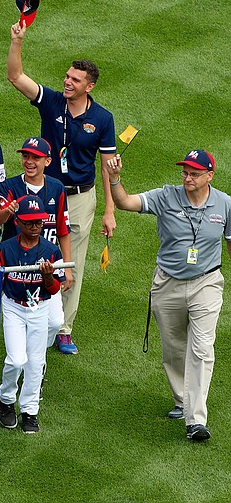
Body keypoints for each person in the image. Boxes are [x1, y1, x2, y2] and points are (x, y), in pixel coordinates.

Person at [7, 21, 117, 355]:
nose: (67, 82)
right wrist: (17, 41)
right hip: (44, 194)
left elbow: (106, 165)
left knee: (73, 262)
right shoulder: (51, 102)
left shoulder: (102, 118)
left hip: (81, 198)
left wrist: (110, 210)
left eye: (75, 80)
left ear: (90, 85)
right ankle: (21, 307)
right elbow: (16, 77)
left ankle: (64, 326)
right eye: (67, 77)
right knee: (29, 248)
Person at [107, 150, 231, 442]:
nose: (187, 178)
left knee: (201, 348)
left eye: (194, 173)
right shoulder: (166, 196)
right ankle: (181, 399)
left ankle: (195, 420)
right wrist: (115, 179)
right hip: (168, 283)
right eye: (185, 172)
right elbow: (125, 202)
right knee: (174, 349)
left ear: (209, 176)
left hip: (207, 283)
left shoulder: (225, 204)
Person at [0, 137, 72, 348]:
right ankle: (29, 356)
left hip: (48, 263)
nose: (29, 161)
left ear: (47, 161)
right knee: (15, 311)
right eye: (26, 156)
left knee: (55, 321)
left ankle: (38, 353)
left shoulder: (56, 188)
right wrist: (6, 212)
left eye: (35, 157)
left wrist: (67, 267)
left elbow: (63, 230)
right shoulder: (9, 186)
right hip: (16, 263)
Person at [0, 195, 64, 434]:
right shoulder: (5, 249)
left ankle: (29, 411)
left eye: (38, 222)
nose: (35, 227)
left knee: (36, 363)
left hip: (39, 308)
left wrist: (47, 277)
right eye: (29, 222)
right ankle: (5, 400)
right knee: (16, 359)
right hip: (13, 306)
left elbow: (55, 288)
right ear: (18, 222)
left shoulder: (52, 251)